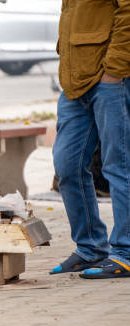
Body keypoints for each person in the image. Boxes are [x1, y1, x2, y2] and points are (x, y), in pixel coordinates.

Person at [51, 1, 130, 279]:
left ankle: (125, 252)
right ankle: (90, 248)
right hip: (76, 81)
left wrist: (115, 68)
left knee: (118, 166)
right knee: (66, 165)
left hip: (110, 79)